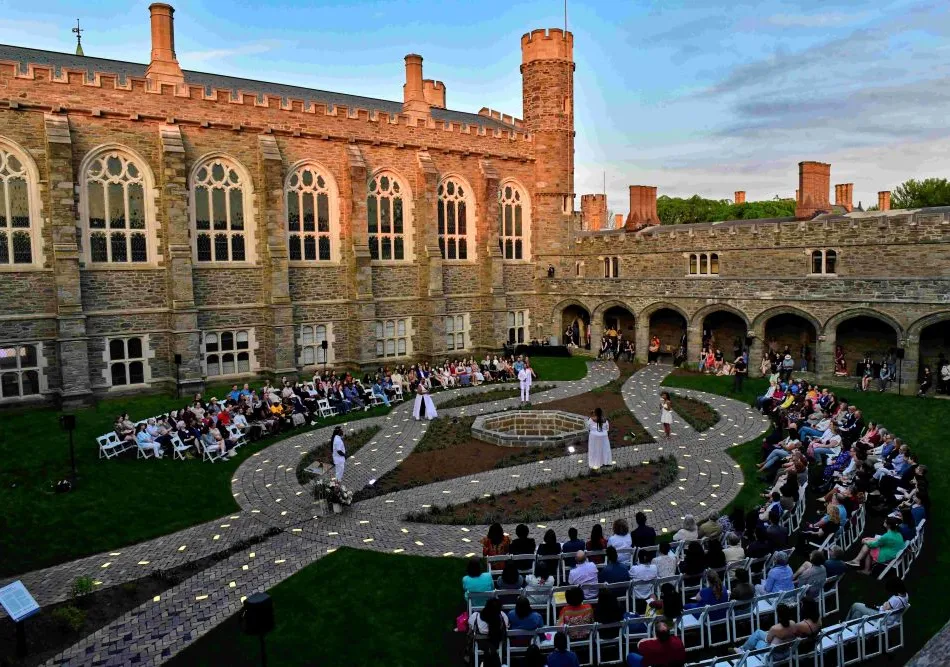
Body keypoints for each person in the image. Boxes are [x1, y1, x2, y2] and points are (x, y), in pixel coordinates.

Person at [845, 576, 909, 621]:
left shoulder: (895, 599)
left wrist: (885, 604)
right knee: (857, 614)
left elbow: (884, 607)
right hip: (887, 617)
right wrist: (886, 604)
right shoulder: (906, 595)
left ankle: (844, 624)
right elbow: (886, 606)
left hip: (881, 617)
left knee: (855, 605)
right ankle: (851, 630)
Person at [629, 549, 658, 614]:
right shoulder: (654, 568)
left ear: (639, 558)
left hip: (636, 598)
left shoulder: (634, 569)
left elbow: (629, 575)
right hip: (649, 598)